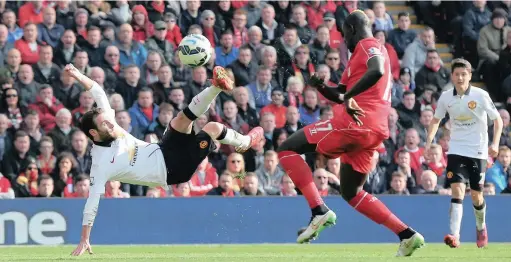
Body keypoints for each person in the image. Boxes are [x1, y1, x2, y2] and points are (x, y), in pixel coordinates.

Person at [68, 64, 263, 256]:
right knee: (212, 128)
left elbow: (98, 92)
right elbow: (92, 203)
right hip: (172, 169)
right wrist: (85, 238)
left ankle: (217, 87)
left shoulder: (107, 122)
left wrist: (77, 74)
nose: (111, 122)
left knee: (180, 120)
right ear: (94, 133)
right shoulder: (100, 164)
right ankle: (244, 142)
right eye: (105, 123)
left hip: (162, 148)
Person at [276, 10, 424, 256]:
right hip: (374, 131)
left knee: (287, 149)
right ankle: (406, 234)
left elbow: (374, 71)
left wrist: (349, 96)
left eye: (345, 34)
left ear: (353, 29)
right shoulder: (360, 57)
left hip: (356, 123)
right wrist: (320, 86)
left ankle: (318, 211)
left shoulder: (369, 46)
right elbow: (340, 92)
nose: (344, 40)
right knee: (351, 192)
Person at [425, 58, 503, 249]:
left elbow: (498, 120)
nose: (460, 78)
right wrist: (428, 141)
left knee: (477, 196)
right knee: (457, 190)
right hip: (457, 149)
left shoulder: (480, 95)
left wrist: (495, 143)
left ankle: (481, 226)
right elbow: (436, 120)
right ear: (452, 76)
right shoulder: (446, 97)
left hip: (478, 150)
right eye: (456, 74)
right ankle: (455, 235)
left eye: (463, 74)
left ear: (469, 76)